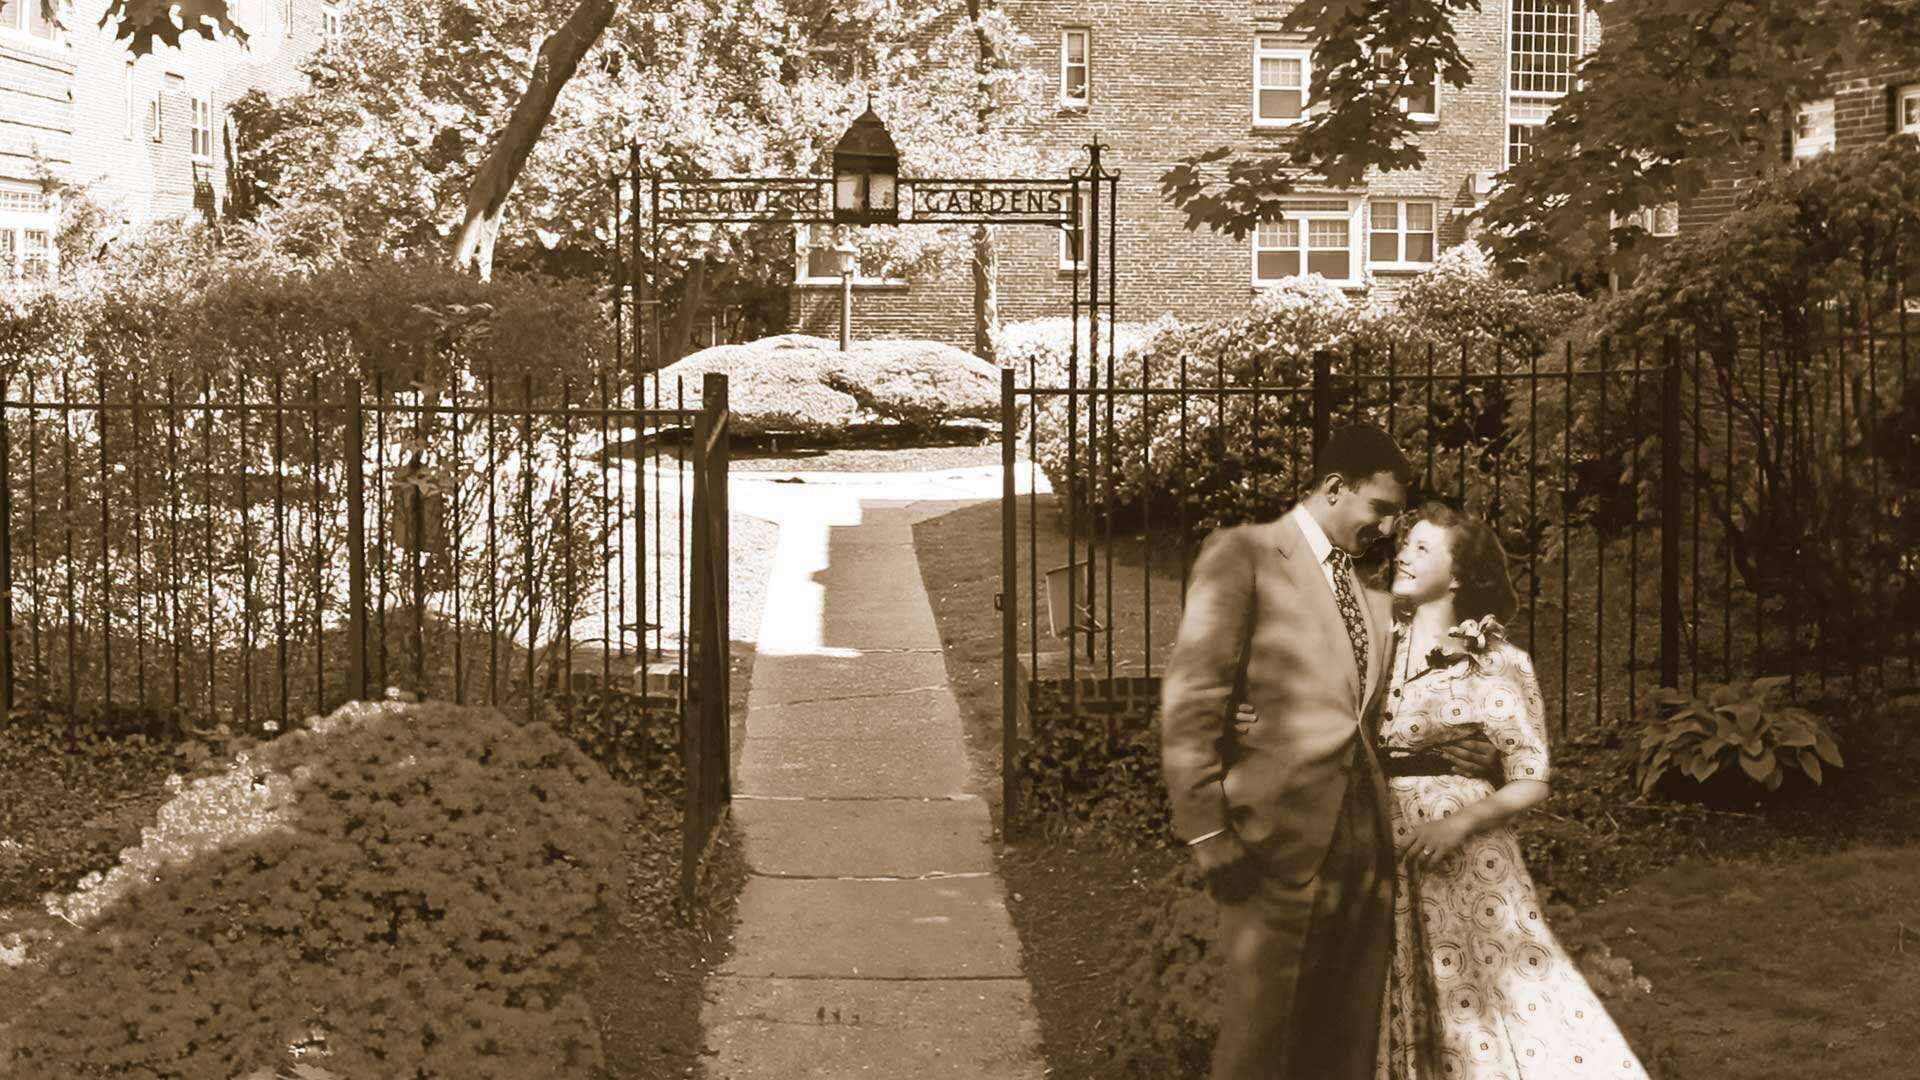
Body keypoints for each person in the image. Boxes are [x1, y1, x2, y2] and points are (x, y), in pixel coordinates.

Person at [1159, 425, 1498, 1080]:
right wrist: (1206, 832)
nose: (1389, 527)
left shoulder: (1368, 591)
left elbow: (1357, 711)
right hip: (1272, 844)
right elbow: (1193, 699)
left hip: (1360, 850)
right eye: (1380, 509)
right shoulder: (1246, 554)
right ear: (1335, 488)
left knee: (1343, 1046)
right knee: (1261, 1044)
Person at [1376, 503, 1649, 1079]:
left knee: (1494, 998)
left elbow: (1532, 777)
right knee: (1408, 999)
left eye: (1424, 547)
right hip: (1382, 848)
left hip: (1464, 860)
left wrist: (1459, 821)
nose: (1403, 553)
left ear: (1457, 577)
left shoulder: (1498, 662)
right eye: (1406, 543)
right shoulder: (1376, 648)